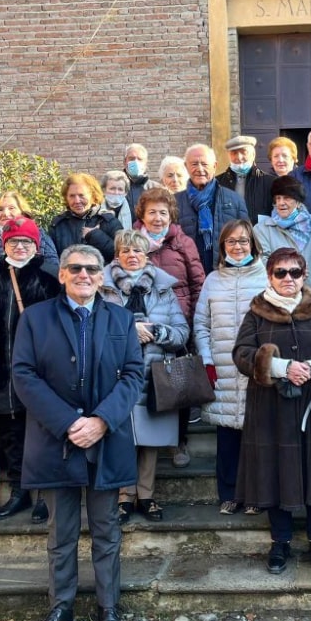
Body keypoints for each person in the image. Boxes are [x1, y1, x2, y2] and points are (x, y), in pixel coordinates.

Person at [12, 244, 144, 621]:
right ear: (62, 275)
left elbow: (134, 375)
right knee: (61, 531)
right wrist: (70, 422)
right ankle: (61, 607)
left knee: (106, 529)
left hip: (106, 441)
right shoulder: (35, 318)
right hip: (57, 441)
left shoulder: (120, 318)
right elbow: (24, 375)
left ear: (102, 276)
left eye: (91, 268)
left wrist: (102, 421)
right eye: (75, 268)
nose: (84, 274)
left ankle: (109, 607)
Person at [233, 247, 311, 574]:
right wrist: (281, 366)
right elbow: (241, 353)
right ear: (270, 276)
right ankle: (280, 543)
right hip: (270, 409)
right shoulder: (257, 312)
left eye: (295, 272)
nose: (288, 278)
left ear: (305, 275)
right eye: (281, 273)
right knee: (274, 472)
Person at [0, 217, 60, 522]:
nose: (20, 247)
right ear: (4, 244)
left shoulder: (49, 278)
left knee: (41, 435)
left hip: (38, 375)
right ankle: (19, 491)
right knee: (11, 436)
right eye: (14, 241)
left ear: (36, 246)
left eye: (26, 242)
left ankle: (43, 496)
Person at [100, 230, 188, 524]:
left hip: (154, 373)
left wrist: (158, 332)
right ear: (117, 255)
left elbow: (181, 332)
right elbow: (94, 328)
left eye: (138, 250)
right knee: (123, 435)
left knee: (149, 439)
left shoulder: (163, 288)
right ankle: (124, 497)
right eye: (126, 250)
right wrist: (128, 332)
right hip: (116, 373)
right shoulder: (104, 288)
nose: (132, 255)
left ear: (146, 255)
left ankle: (146, 495)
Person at [194, 220, 269, 515]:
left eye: (243, 241)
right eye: (231, 242)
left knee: (257, 436)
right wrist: (207, 360)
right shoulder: (213, 280)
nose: (238, 247)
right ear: (223, 247)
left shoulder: (266, 275)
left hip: (255, 368)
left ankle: (255, 494)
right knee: (227, 437)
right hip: (223, 367)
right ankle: (230, 492)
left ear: (253, 243)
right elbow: (201, 323)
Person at [133, 187, 206, 467]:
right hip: (143, 326)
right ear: (143, 213)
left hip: (177, 325)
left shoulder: (183, 242)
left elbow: (198, 283)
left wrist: (192, 321)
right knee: (146, 385)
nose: (158, 217)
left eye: (163, 212)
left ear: (171, 214)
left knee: (178, 385)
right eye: (152, 212)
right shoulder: (132, 242)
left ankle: (179, 441)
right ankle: (146, 439)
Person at [0, 190, 60, 292]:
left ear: (22, 211)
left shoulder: (40, 236)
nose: (5, 213)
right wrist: (3, 275)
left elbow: (54, 271)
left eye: (11, 208)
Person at [175, 143, 249, 270]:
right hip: (188, 275)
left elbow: (247, 240)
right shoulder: (175, 202)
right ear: (186, 167)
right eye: (194, 164)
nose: (199, 169)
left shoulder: (234, 199)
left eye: (204, 164)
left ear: (214, 166)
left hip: (225, 273)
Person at [253, 176, 311, 294]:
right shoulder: (262, 229)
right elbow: (262, 263)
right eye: (278, 198)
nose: (281, 203)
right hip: (278, 296)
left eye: (287, 198)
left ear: (298, 201)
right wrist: (291, 271)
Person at [49, 173, 124, 263]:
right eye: (72, 196)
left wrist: (96, 236)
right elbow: (51, 260)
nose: (77, 201)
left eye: (81, 195)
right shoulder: (58, 225)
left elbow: (122, 255)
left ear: (93, 195)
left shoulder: (109, 221)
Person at [217, 135, 276, 221]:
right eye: (234, 153)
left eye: (243, 152)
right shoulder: (218, 183)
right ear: (229, 156)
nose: (239, 157)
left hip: (258, 233)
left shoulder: (269, 182)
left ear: (253, 154)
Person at [122, 143, 161, 216]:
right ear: (125, 162)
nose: (135, 162)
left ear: (145, 164)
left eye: (140, 159)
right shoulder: (116, 187)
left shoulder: (156, 188)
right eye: (131, 158)